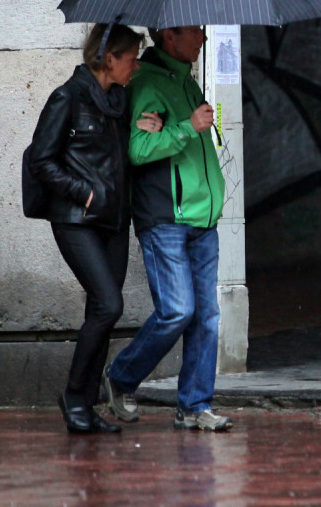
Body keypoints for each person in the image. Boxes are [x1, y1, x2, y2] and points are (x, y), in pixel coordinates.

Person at [28, 23, 163, 433]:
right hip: (76, 221)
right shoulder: (66, 98)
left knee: (99, 311)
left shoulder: (118, 101)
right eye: (131, 59)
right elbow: (41, 161)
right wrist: (83, 192)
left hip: (114, 222)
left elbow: (115, 153)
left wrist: (143, 129)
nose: (136, 67)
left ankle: (85, 407)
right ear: (109, 59)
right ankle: (73, 395)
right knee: (109, 305)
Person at [102, 25, 232, 431]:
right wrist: (186, 127)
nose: (204, 39)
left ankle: (195, 406)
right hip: (166, 218)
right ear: (170, 35)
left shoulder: (186, 81)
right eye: (196, 32)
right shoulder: (147, 82)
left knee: (206, 317)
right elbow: (138, 150)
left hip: (202, 218)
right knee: (178, 310)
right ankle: (120, 377)